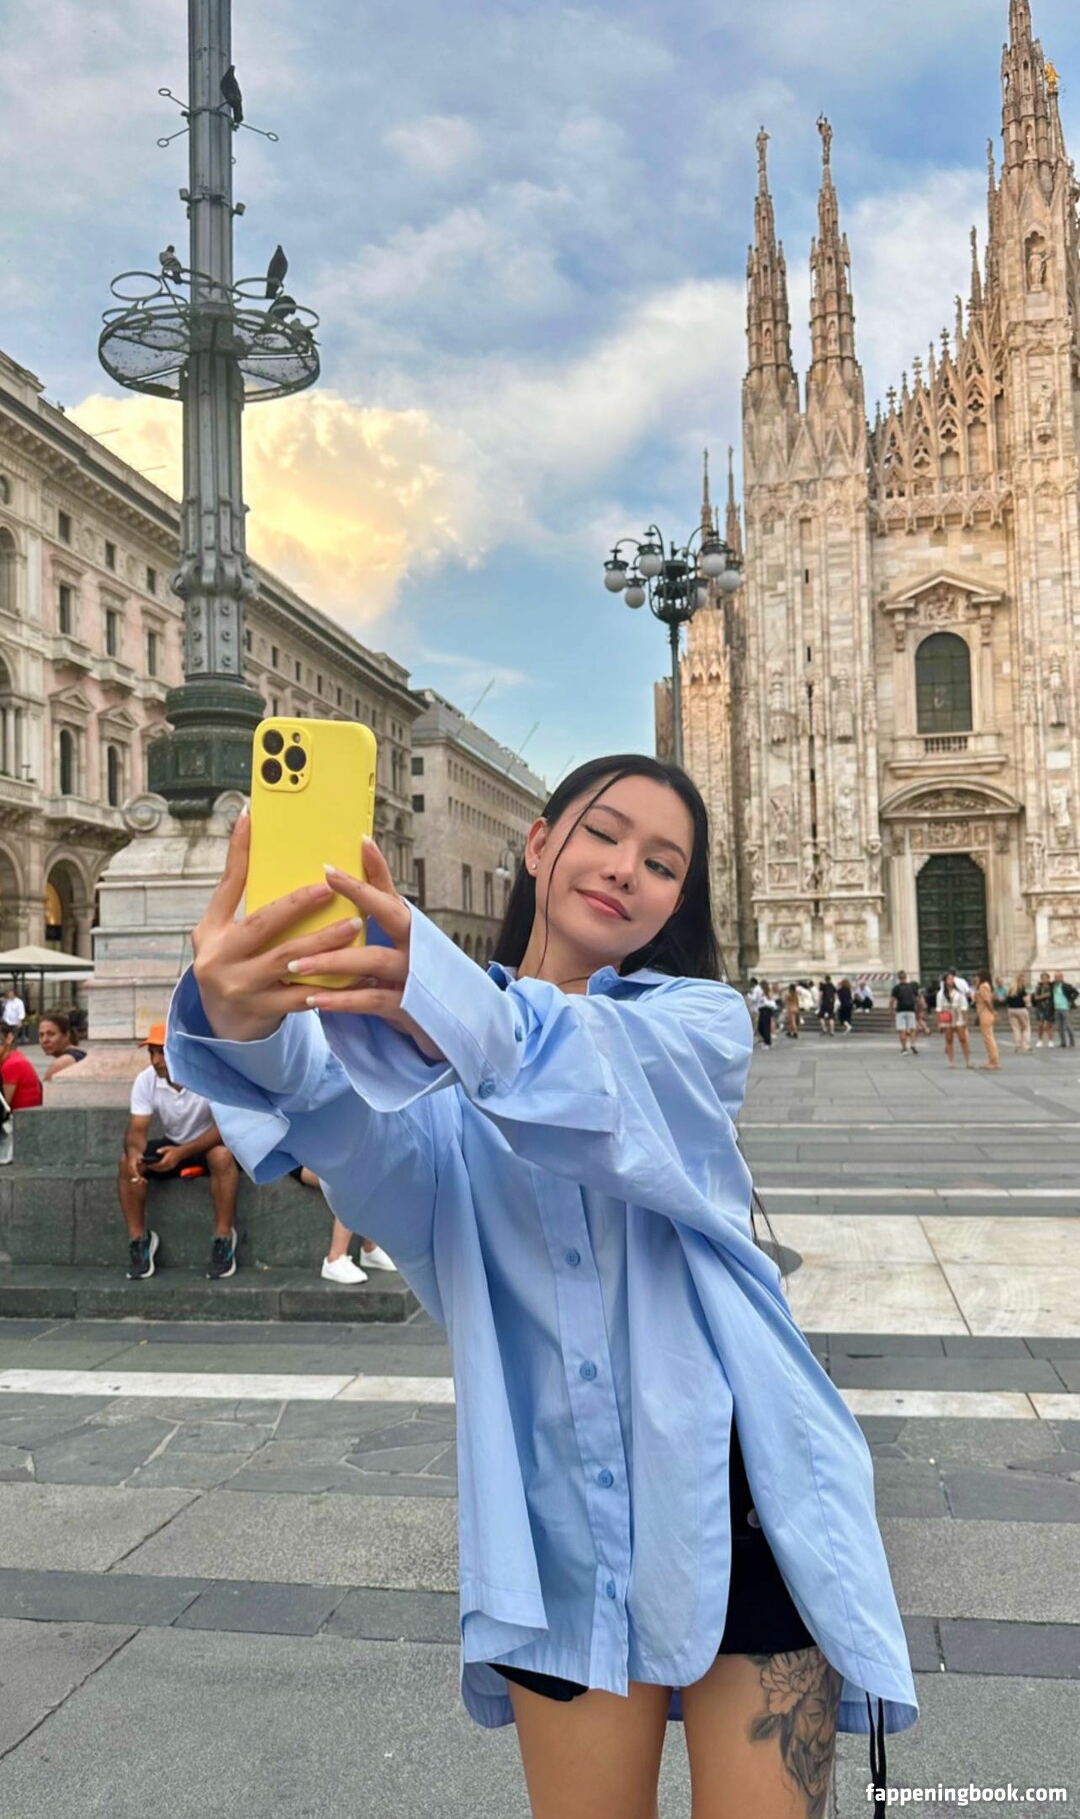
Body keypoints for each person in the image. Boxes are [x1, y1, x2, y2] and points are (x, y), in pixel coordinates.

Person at [166, 757, 915, 1810]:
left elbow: (575, 1070)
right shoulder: (422, 1079)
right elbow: (349, 1132)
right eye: (603, 834)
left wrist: (422, 983)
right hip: (559, 1530)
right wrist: (243, 1023)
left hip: (744, 1500)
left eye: (664, 864)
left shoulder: (696, 1027)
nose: (626, 868)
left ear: (675, 906)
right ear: (538, 844)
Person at [120, 1022, 241, 1281]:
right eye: (152, 1053)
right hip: (174, 1143)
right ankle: (139, 1240)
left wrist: (182, 1153)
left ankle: (223, 1237)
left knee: (222, 1156)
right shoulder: (146, 1080)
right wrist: (135, 1153)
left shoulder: (209, 1074)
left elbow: (225, 1129)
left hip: (208, 1143)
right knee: (126, 1162)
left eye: (162, 1052)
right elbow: (137, 1130)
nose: (155, 1060)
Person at [287, 1163, 398, 1283]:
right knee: (354, 1183)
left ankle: (371, 1249)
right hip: (299, 1163)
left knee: (376, 1176)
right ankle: (334, 1259)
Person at [0, 1023, 42, 1110]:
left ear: (9, 1038)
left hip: (21, 1117)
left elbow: (2, 1106)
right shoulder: (14, 1057)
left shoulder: (12, 1065)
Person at [37, 1011, 88, 1081]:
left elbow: (46, 1087)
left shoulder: (62, 1063)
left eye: (51, 1034)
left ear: (66, 1035)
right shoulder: (81, 1055)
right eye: (41, 1035)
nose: (44, 1040)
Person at [936, 972, 972, 1068]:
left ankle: (968, 1061)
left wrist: (965, 1019)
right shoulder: (940, 994)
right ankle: (951, 1061)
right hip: (946, 1016)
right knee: (949, 1039)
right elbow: (939, 1009)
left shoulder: (959, 993)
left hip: (958, 1015)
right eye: (949, 979)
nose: (951, 981)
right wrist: (939, 1023)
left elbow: (964, 1006)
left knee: (963, 1039)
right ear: (945, 981)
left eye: (952, 979)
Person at [973, 971, 1000, 1071]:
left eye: (977, 976)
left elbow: (986, 1000)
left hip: (985, 1013)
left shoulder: (983, 986)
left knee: (988, 1038)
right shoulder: (985, 986)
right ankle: (992, 1060)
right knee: (987, 1038)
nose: (976, 978)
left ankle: (994, 1061)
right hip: (985, 1013)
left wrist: (993, 1011)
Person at [888, 971, 920, 1054]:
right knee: (912, 1029)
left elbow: (891, 1001)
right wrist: (918, 1010)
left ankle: (904, 1048)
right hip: (911, 1010)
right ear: (906, 977)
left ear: (899, 978)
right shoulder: (912, 987)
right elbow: (917, 1000)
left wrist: (891, 1011)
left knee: (902, 1030)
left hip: (900, 1010)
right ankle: (913, 1044)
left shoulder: (896, 988)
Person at [1005, 976, 1032, 1054]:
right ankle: (1026, 1045)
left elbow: (1007, 1000)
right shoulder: (1022, 990)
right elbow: (1026, 1000)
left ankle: (1017, 1045)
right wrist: (1029, 1005)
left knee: (1015, 1028)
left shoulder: (1011, 989)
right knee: (1026, 1028)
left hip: (1011, 1010)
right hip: (1021, 1009)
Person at [1052, 970, 1078, 1049]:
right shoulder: (1053, 986)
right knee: (1059, 1027)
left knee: (1067, 1025)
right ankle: (1063, 1042)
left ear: (1062, 977)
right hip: (1057, 1008)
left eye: (1058, 977)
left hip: (1065, 1008)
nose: (1056, 978)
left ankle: (1072, 1042)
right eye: (1055, 977)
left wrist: (1070, 1001)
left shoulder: (1066, 986)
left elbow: (1076, 993)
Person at [1032, 972, 1055, 1048]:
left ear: (1049, 979)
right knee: (1040, 1024)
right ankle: (1040, 1040)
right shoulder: (1038, 987)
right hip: (1040, 1008)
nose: (1045, 980)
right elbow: (1036, 997)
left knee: (1050, 1025)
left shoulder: (1052, 986)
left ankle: (1051, 1040)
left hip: (1050, 1007)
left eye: (1046, 978)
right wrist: (1045, 995)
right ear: (1041, 979)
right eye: (1043, 979)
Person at [755, 979, 776, 1051]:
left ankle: (767, 1043)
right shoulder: (762, 993)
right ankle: (766, 1041)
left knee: (765, 1027)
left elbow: (770, 1002)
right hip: (762, 1010)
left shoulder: (767, 993)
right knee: (760, 1027)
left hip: (766, 1010)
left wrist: (764, 1001)